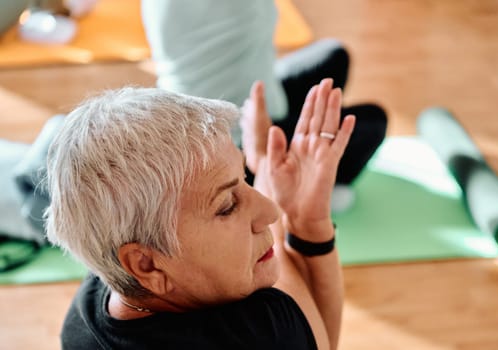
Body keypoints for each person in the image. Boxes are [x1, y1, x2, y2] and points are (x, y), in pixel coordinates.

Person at [45, 78, 354, 349]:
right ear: (146, 263)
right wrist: (303, 219)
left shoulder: (89, 308)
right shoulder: (258, 335)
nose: (269, 212)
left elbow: (312, 336)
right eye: (227, 206)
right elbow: (317, 338)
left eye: (243, 177)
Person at [141, 0, 387, 211]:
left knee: (334, 56)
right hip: (234, 147)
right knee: (373, 122)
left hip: (210, 110)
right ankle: (289, 192)